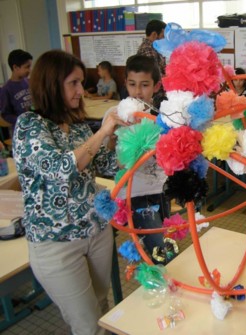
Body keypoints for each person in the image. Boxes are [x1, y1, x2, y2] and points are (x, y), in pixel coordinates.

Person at [12, 50, 126, 335]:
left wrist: (121, 140)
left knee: (100, 307)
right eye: (73, 83)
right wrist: (102, 131)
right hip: (56, 243)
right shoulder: (29, 125)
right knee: (87, 324)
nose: (80, 91)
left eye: (81, 82)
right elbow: (61, 168)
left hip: (95, 232)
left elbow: (105, 164)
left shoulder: (75, 127)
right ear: (52, 84)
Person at [103, 54, 173, 264]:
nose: (138, 92)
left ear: (156, 86)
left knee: (164, 238)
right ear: (125, 83)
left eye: (144, 85)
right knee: (158, 249)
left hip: (160, 188)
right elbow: (110, 158)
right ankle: (161, 282)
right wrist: (116, 136)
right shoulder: (114, 114)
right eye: (132, 84)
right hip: (136, 193)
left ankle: (161, 277)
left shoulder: (161, 117)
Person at [0, 49, 33, 131]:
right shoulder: (6, 89)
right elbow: (5, 115)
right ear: (15, 67)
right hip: (20, 131)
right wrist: (20, 119)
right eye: (27, 67)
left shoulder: (28, 82)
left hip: (33, 126)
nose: (30, 70)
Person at [137, 19, 167, 110]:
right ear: (154, 34)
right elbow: (156, 74)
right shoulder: (148, 49)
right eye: (162, 36)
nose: (164, 39)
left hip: (158, 94)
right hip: (154, 96)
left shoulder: (153, 48)